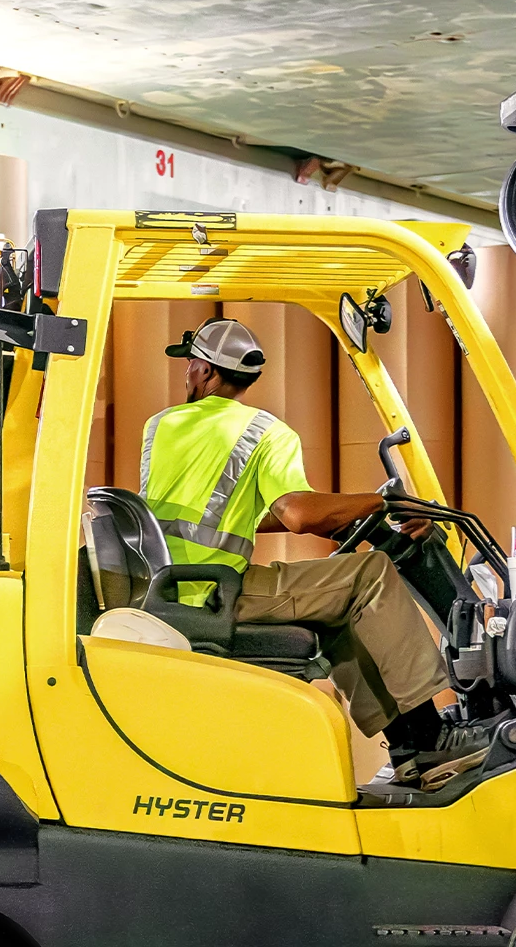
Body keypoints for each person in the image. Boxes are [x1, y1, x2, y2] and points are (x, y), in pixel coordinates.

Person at [139, 318, 466, 780]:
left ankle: (410, 745)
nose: (186, 372)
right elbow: (299, 514)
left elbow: (233, 515)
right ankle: (432, 735)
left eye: (190, 363)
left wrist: (347, 515)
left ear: (208, 371)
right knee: (370, 573)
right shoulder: (263, 432)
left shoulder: (161, 426)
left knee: (336, 600)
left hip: (176, 587)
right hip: (218, 593)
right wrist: (384, 500)